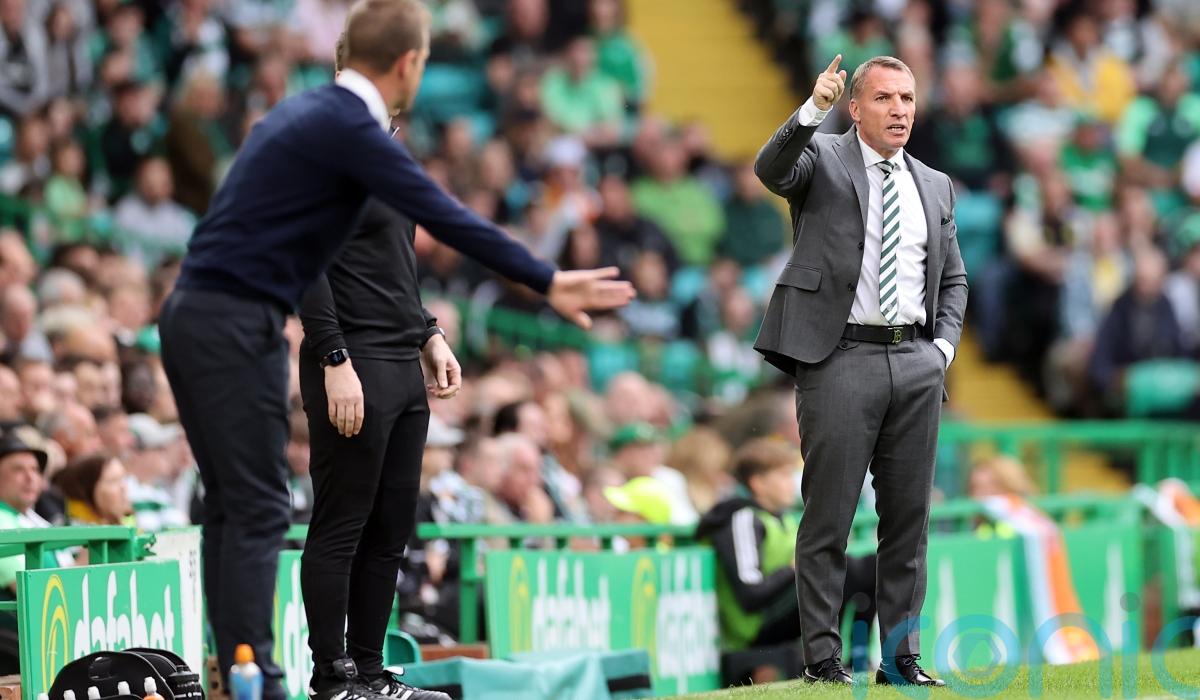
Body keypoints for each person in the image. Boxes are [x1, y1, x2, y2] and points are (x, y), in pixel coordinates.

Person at [156, 2, 634, 698]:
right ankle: (276, 678)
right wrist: (547, 280)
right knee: (260, 509)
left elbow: (387, 249)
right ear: (409, 64)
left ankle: (258, 675)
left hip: (210, 312)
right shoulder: (345, 127)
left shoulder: (307, 116)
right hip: (237, 319)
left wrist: (426, 328)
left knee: (240, 507)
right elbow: (447, 215)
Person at [752, 54, 968, 686]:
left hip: (916, 360)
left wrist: (942, 350)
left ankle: (900, 661)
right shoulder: (823, 156)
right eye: (883, 98)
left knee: (909, 523)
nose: (899, 110)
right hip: (840, 357)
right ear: (854, 108)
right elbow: (771, 170)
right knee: (829, 518)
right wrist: (811, 110)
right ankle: (822, 661)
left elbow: (954, 278)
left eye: (907, 98)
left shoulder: (936, 184)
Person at [695, 439, 875, 667]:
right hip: (756, 626)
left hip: (780, 610)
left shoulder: (784, 518)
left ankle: (857, 658)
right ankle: (835, 659)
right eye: (783, 476)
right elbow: (750, 595)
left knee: (870, 568)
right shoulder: (743, 519)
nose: (791, 483)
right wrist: (794, 567)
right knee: (844, 570)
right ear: (758, 483)